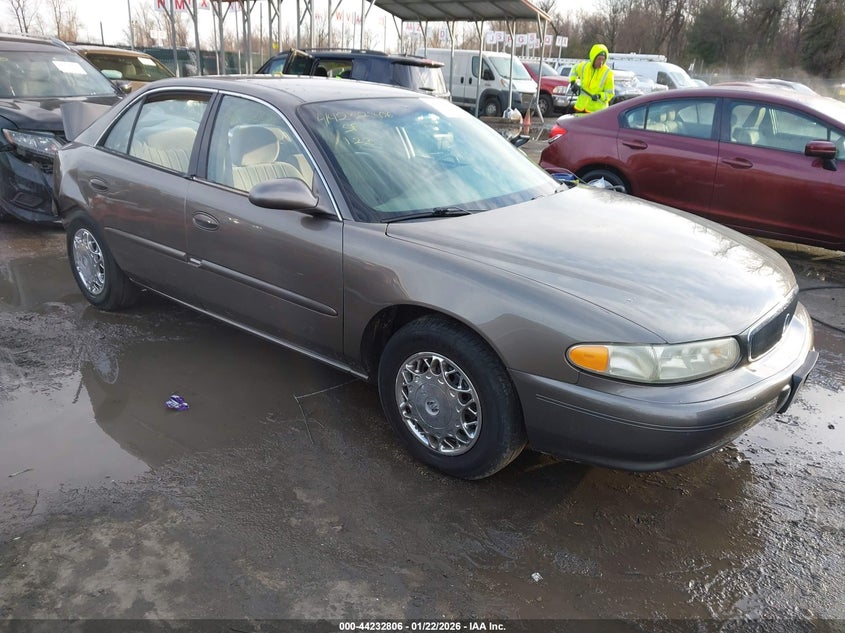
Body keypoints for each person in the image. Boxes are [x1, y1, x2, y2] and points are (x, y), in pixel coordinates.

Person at [569, 44, 615, 114]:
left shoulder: (608, 73)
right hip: (580, 108)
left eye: (603, 59)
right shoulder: (584, 66)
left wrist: (599, 96)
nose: (601, 62)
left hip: (597, 112)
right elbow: (574, 69)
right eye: (599, 59)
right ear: (593, 58)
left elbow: (610, 93)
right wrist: (573, 82)